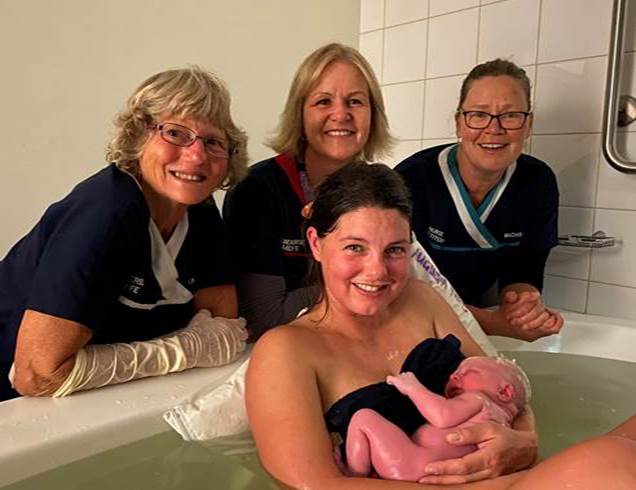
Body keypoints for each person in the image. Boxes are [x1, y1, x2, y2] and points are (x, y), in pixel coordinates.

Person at [246, 163, 636, 489]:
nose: (377, 271)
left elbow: (505, 388)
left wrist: (524, 441)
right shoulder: (287, 350)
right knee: (614, 461)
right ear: (316, 244)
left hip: (502, 478)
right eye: (355, 247)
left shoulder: (420, 299)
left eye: (395, 250)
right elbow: (314, 485)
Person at [0, 66, 249, 402]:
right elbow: (36, 374)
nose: (196, 155)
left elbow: (224, 330)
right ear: (138, 137)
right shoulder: (105, 212)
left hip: (97, 404)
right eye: (175, 133)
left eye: (213, 141)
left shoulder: (199, 212)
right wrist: (182, 351)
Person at [223, 42, 395, 340]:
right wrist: (364, 290)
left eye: (355, 101)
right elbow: (265, 317)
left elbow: (403, 287)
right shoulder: (258, 190)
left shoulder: (384, 190)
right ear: (299, 114)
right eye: (323, 102)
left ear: (373, 115)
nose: (340, 115)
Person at [395, 59, 564, 342]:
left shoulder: (538, 182)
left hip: (475, 312)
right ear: (459, 123)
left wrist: (524, 306)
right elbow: (400, 287)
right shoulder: (413, 179)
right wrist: (496, 324)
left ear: (528, 125)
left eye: (510, 116)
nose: (494, 128)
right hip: (409, 318)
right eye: (478, 115)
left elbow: (526, 268)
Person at [346, 356, 531, 481]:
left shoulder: (479, 399)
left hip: (412, 463)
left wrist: (412, 387)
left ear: (504, 391)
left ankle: (355, 474)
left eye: (468, 371)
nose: (453, 375)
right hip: (442, 478)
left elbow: (442, 416)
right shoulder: (506, 428)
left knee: (363, 418)